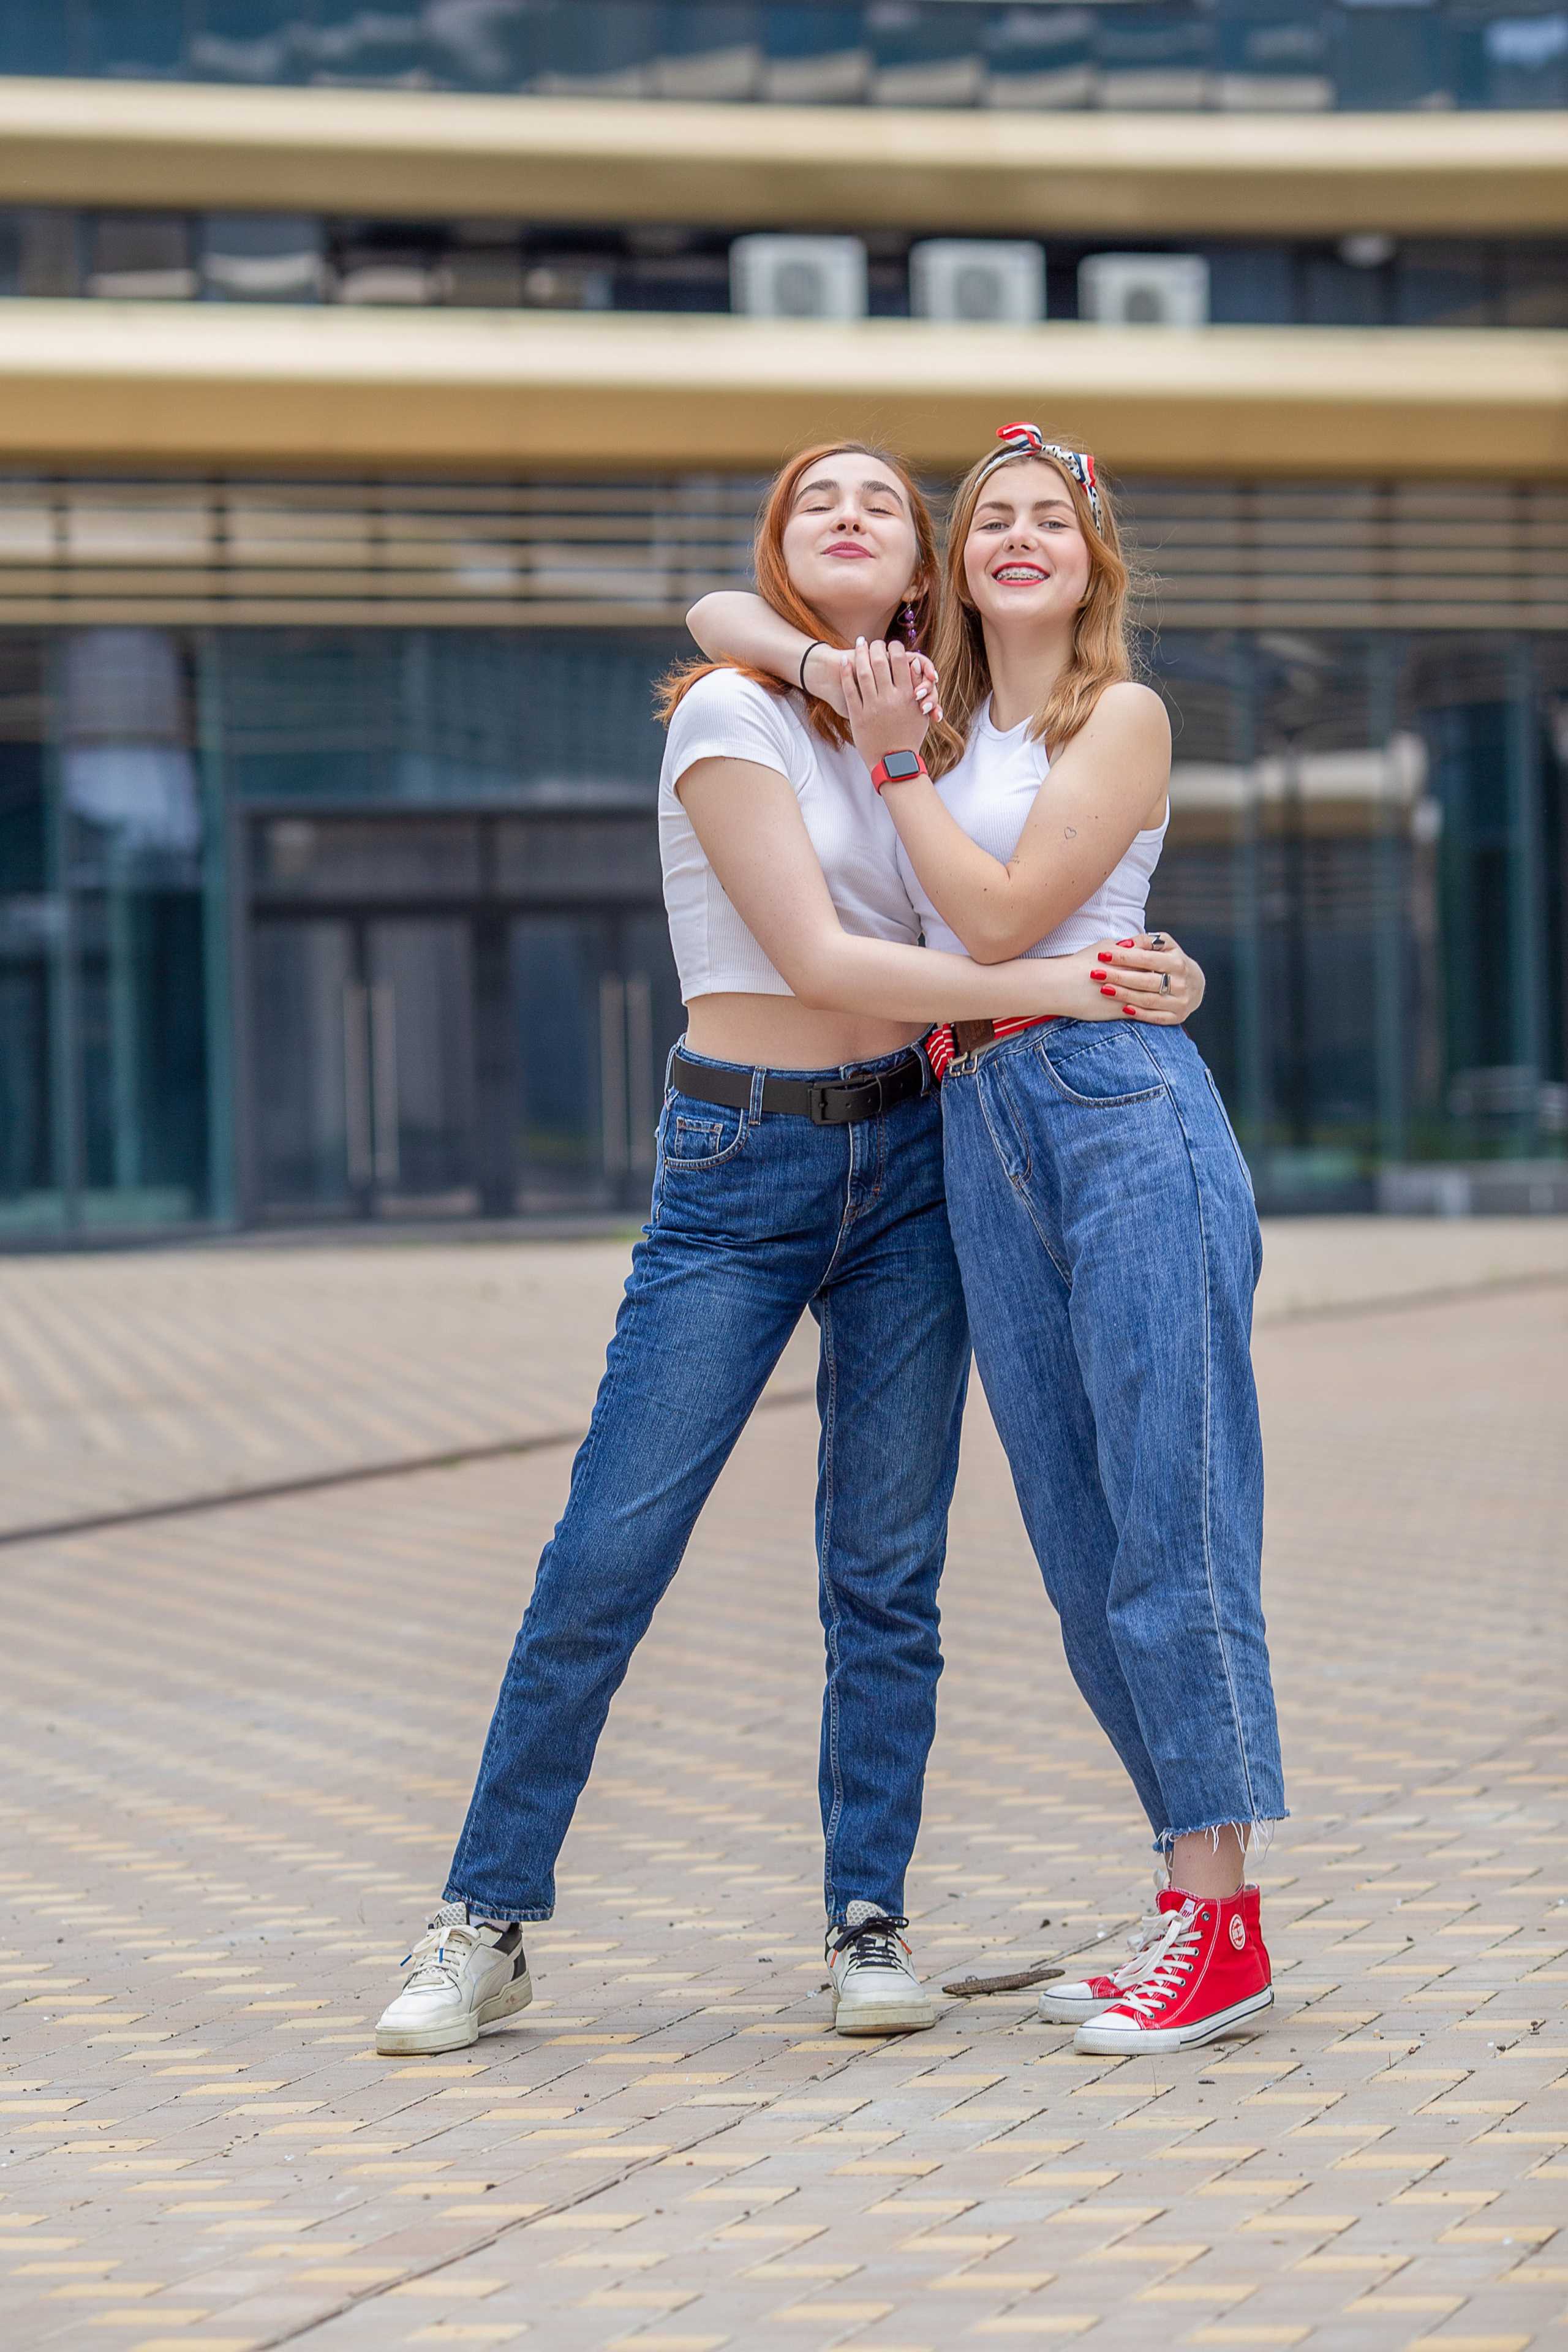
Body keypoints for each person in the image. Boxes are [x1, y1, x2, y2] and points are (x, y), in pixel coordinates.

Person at [373, 442, 1201, 2059]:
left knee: (885, 1573)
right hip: (739, 1162)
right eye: (814, 499)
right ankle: (486, 1915)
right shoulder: (730, 708)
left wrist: (1129, 965)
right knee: (610, 1549)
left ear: (924, 572)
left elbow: (1002, 904)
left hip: (912, 1154)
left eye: (884, 503)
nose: (847, 515)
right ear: (782, 553)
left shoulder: (928, 741)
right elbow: (826, 951)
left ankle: (865, 1918)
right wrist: (1084, 984)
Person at [687, 423, 1285, 2056]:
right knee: (1084, 1548)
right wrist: (863, 696)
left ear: (1094, 562)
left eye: (1052, 519)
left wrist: (892, 768)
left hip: (1116, 1105)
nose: (1019, 537)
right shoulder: (921, 714)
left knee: (1176, 1512)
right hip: (973, 1120)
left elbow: (1013, 921)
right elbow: (712, 618)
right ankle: (1185, 1901)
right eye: (991, 519)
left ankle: (1227, 1925)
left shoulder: (1122, 715)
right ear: (958, 566)